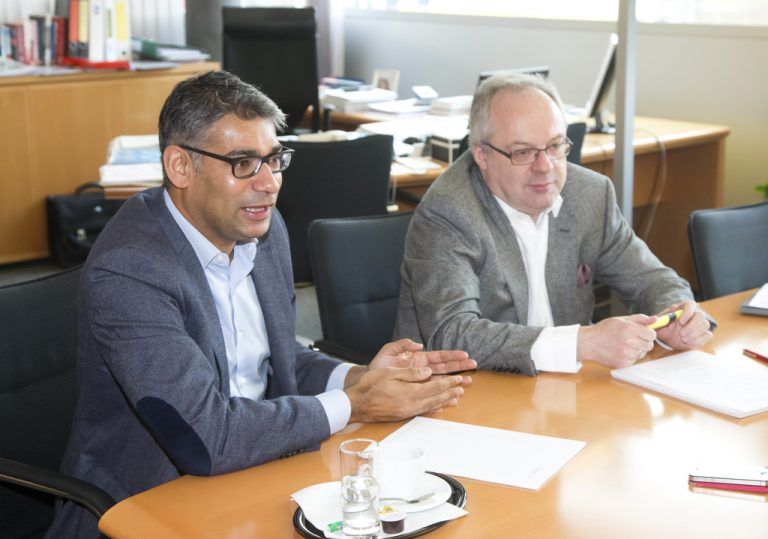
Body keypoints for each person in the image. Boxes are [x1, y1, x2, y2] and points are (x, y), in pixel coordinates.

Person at [48, 71, 475, 538]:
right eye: (243, 163)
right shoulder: (130, 269)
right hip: (150, 500)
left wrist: (359, 377)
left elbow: (279, 360)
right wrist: (357, 404)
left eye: (274, 159)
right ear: (180, 167)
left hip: (257, 472)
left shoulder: (261, 232)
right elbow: (206, 436)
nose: (269, 184)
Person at [394, 72, 713, 376]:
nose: (545, 166)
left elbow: (651, 279)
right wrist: (582, 343)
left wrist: (678, 316)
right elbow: (452, 334)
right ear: (481, 155)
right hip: (466, 395)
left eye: (556, 146)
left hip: (563, 392)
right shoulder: (449, 211)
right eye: (523, 152)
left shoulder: (590, 194)